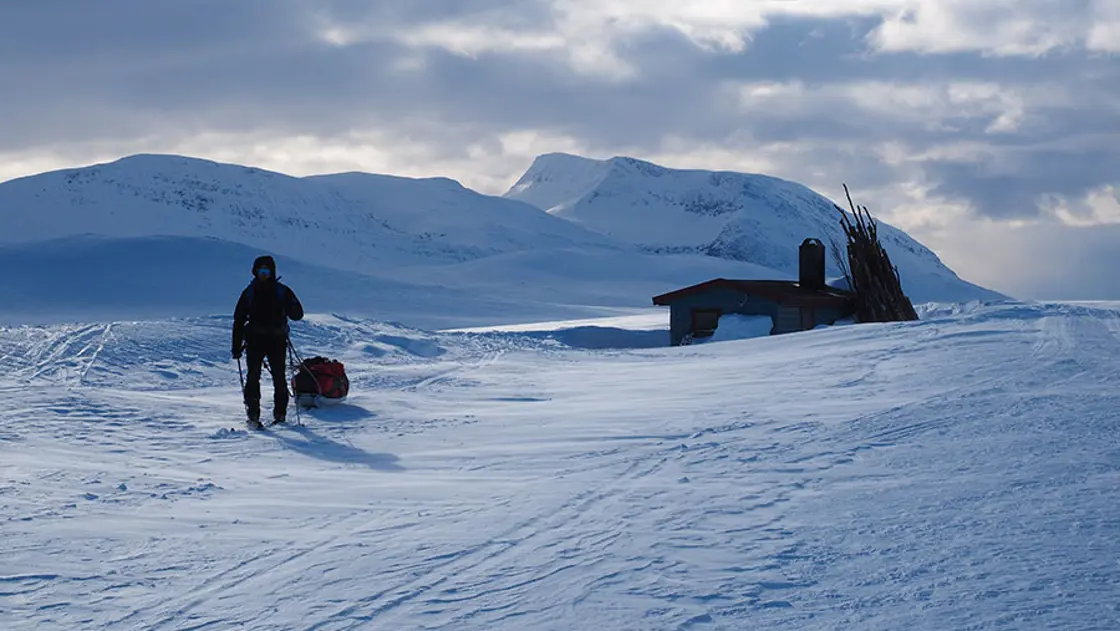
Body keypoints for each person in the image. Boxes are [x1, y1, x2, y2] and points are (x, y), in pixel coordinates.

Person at [232, 255, 304, 424]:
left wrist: (290, 306)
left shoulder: (282, 291)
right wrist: (236, 346)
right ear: (255, 272)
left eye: (267, 270)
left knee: (278, 377)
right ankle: (253, 412)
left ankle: (280, 414)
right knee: (253, 377)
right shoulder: (250, 292)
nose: (263, 274)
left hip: (276, 341)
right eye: (260, 271)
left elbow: (298, 315)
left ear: (272, 272)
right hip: (255, 341)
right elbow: (239, 320)